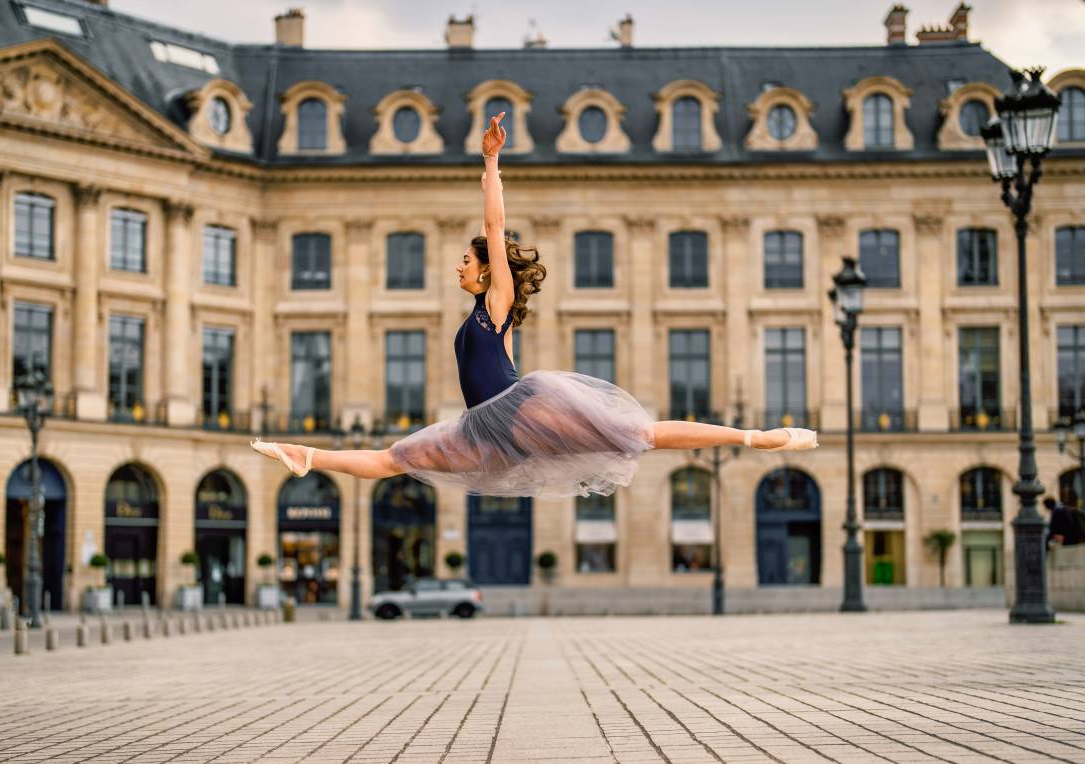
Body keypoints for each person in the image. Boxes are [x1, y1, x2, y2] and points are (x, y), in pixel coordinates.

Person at [252, 113, 818, 497]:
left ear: (487, 268)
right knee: (390, 461)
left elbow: (494, 226)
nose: (459, 267)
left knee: (638, 435)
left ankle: (754, 437)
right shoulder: (484, 317)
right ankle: (304, 454)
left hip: (520, 411)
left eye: (466, 261)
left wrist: (491, 164)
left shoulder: (495, 303)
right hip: (482, 430)